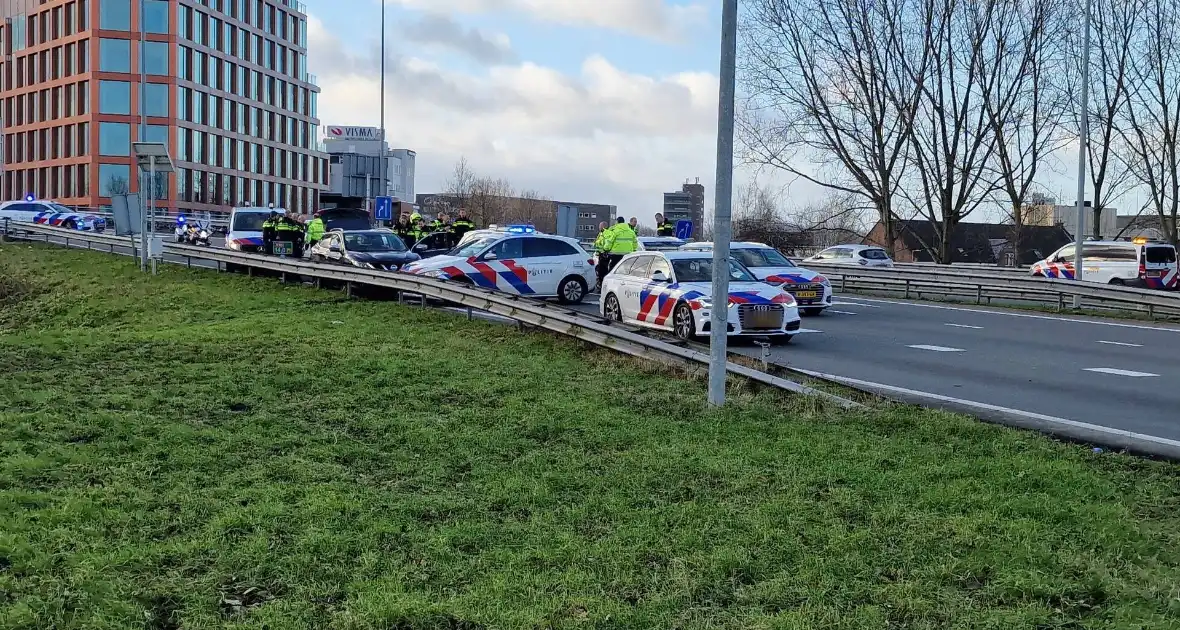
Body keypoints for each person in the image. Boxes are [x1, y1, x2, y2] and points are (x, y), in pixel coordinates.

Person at [593, 221, 611, 288]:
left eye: (600, 226)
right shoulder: (601, 233)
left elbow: (607, 244)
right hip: (600, 254)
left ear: (603, 226)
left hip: (604, 255)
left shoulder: (606, 233)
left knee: (603, 271)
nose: (599, 227)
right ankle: (601, 285)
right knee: (600, 271)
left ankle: (602, 286)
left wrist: (604, 251)